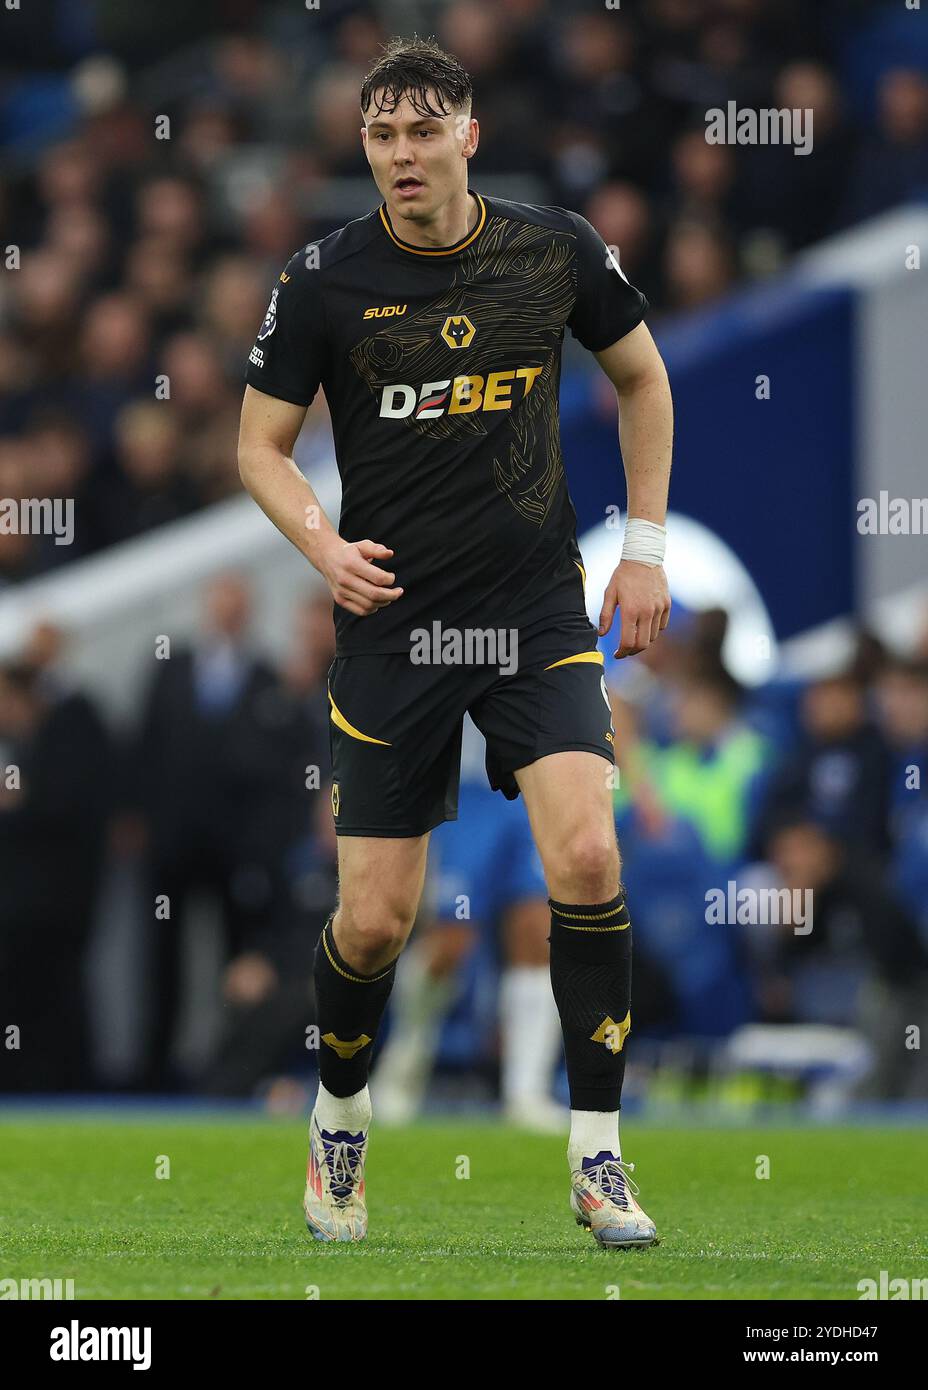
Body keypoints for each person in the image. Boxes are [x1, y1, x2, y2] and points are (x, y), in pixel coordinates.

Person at [238, 37, 673, 1248]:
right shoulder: (324, 279)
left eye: (423, 133)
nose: (401, 156)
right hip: (393, 624)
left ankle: (597, 1158)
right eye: (381, 137)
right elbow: (257, 449)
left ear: (468, 136)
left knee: (586, 853)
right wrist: (322, 548)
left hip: (535, 609)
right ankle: (340, 1117)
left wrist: (644, 548)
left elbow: (642, 378)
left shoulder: (555, 250)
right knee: (376, 920)